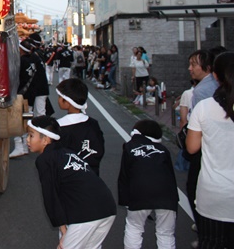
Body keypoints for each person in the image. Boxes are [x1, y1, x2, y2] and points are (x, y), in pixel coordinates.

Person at [27, 116, 117, 249]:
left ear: (45, 140)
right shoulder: (68, 152)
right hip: (107, 207)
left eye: (31, 135)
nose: (27, 140)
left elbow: (51, 196)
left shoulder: (45, 159)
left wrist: (63, 231)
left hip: (87, 213)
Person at [186, 52, 234, 249]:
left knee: (211, 242)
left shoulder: (204, 107)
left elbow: (192, 148)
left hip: (213, 192)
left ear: (215, 75)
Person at [118, 120, 178, 249]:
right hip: (166, 195)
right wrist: (174, 199)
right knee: (166, 233)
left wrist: (125, 200)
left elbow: (124, 176)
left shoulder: (130, 147)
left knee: (134, 227)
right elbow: (170, 176)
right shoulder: (163, 150)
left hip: (139, 193)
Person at [56, 78, 105, 175]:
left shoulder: (59, 127)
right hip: (91, 176)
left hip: (68, 179)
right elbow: (99, 149)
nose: (58, 100)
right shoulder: (93, 124)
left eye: (59, 97)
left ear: (67, 102)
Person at [10, 39, 49, 158]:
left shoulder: (22, 61)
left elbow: (18, 79)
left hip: (27, 93)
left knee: (19, 118)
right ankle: (38, 142)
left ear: (21, 49)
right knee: (37, 116)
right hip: (38, 90)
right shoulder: (35, 57)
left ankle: (21, 146)